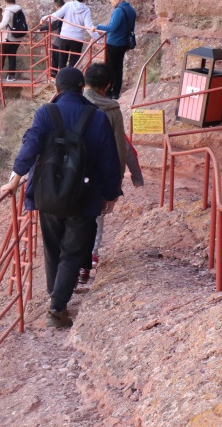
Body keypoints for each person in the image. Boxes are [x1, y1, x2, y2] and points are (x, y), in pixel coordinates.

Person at [0, 67, 121, 328]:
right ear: (81, 88)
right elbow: (109, 160)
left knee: (53, 248)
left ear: (57, 89)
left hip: (48, 194)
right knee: (73, 251)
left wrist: (15, 179)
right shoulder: (98, 117)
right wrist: (110, 194)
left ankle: (55, 296)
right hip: (84, 195)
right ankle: (57, 307)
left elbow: (30, 145)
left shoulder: (46, 113)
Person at [81, 63, 128, 283]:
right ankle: (89, 259)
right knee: (96, 216)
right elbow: (120, 149)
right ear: (108, 85)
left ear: (85, 82)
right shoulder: (112, 110)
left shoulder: (73, 103)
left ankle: (73, 264)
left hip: (74, 171)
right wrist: (116, 185)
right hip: (99, 175)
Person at [95, 0, 137, 99]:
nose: (111, 1)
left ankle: (108, 92)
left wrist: (98, 27)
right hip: (124, 44)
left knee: (110, 68)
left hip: (114, 43)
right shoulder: (131, 9)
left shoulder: (118, 10)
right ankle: (116, 92)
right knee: (118, 68)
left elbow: (112, 27)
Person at [41, 0, 96, 70]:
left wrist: (44, 18)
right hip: (77, 38)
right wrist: (98, 39)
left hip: (65, 36)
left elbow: (56, 15)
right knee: (74, 62)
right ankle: (71, 77)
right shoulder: (86, 10)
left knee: (62, 61)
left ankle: (61, 76)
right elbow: (89, 27)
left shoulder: (68, 5)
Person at [0, 0, 27, 81]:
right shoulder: (21, 10)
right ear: (14, 1)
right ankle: (10, 76)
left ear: (6, 2)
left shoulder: (8, 11)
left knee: (1, 55)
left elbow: (4, 23)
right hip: (18, 37)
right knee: (12, 55)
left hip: (7, 37)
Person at [38, 0, 65, 76]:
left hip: (59, 38)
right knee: (62, 57)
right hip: (66, 37)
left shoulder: (60, 14)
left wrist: (42, 28)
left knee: (56, 56)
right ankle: (61, 74)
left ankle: (54, 73)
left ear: (56, 6)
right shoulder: (67, 11)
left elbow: (54, 25)